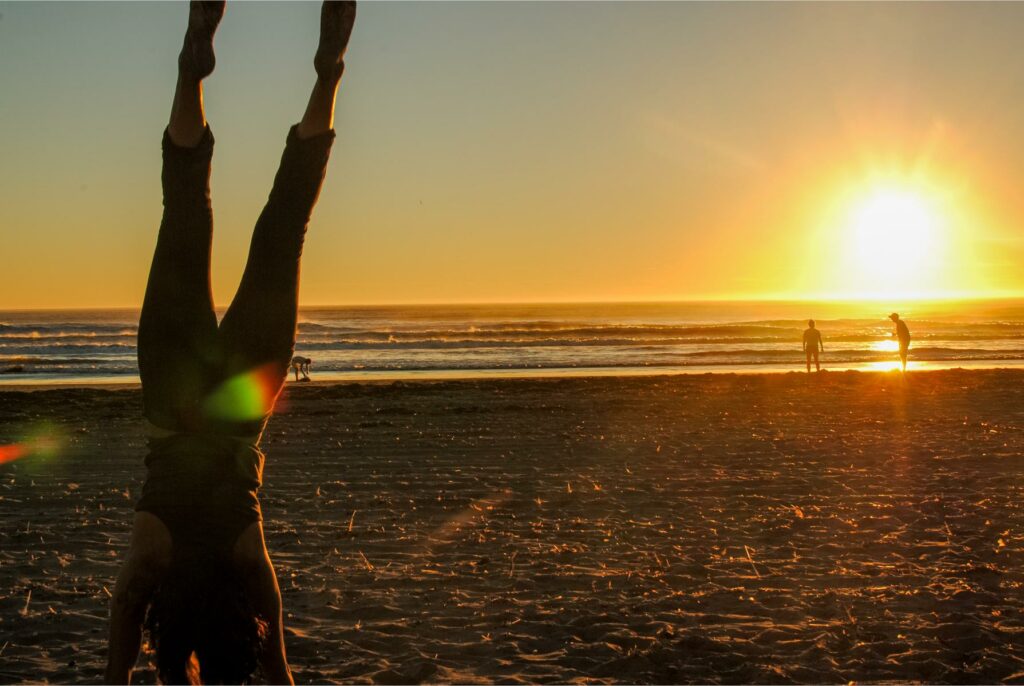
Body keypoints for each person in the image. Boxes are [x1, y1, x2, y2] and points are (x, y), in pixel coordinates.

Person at [104, 2, 356, 683]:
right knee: (185, 210)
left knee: (284, 230)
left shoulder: (251, 565)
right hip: (174, 395)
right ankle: (192, 71)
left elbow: (277, 670)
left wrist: (269, 662)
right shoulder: (152, 557)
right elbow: (128, 608)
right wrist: (117, 678)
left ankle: (328, 75)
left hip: (242, 406)